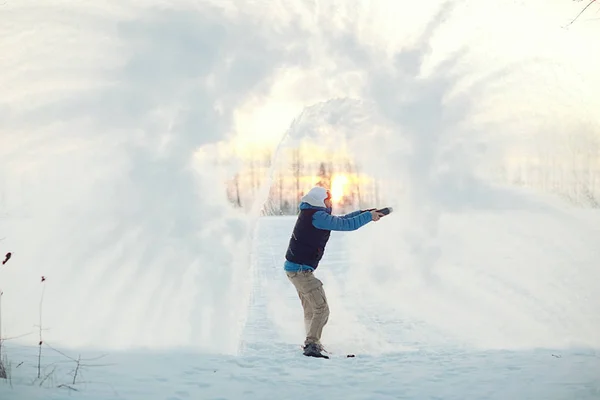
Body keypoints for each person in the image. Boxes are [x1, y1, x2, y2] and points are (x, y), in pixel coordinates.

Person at [283, 186, 385, 358]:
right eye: (327, 200)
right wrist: (368, 217)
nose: (330, 203)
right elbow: (345, 224)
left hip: (296, 269)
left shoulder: (313, 214)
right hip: (301, 271)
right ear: (319, 201)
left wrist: (366, 212)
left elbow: (340, 219)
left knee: (312, 309)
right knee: (321, 309)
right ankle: (312, 344)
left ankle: (311, 340)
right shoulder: (317, 216)